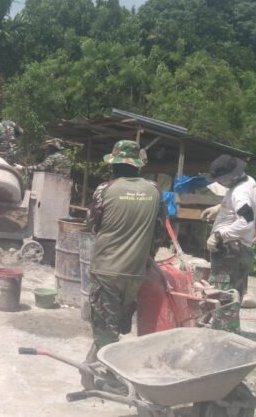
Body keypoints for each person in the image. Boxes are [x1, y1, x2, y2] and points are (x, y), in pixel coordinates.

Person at [82, 140, 165, 389]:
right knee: (115, 324)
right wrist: (146, 254)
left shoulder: (105, 190)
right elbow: (159, 231)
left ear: (115, 164)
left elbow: (92, 225)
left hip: (106, 270)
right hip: (135, 272)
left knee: (104, 328)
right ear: (137, 166)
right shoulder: (155, 191)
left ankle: (107, 379)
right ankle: (91, 371)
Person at [201, 154, 256, 333]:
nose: (220, 183)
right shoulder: (247, 181)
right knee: (234, 293)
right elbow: (240, 207)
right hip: (240, 249)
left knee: (223, 294)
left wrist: (219, 235)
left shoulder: (239, 192)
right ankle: (224, 330)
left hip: (230, 250)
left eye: (220, 180)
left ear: (230, 177)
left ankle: (222, 336)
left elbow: (246, 220)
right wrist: (220, 208)